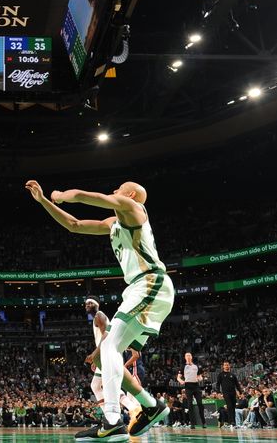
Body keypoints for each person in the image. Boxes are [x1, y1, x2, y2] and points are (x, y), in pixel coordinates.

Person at [25, 180, 173, 441]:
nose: (114, 191)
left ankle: (113, 420)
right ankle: (150, 405)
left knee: (108, 348)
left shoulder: (134, 207)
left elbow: (85, 195)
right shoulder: (113, 224)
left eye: (118, 188)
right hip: (142, 288)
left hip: (150, 282)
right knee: (109, 356)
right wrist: (44, 202)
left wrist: (60, 194)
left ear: (129, 194)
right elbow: (75, 225)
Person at [177, 352, 206, 428]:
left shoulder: (196, 366)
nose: (188, 357)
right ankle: (192, 424)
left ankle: (203, 422)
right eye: (187, 356)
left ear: (191, 357)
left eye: (189, 355)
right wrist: (181, 381)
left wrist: (200, 378)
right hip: (188, 386)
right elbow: (178, 377)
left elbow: (200, 376)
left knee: (200, 403)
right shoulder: (183, 366)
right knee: (190, 404)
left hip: (196, 386)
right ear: (185, 357)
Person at [215, 361, 242, 427]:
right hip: (226, 393)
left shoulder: (233, 375)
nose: (227, 366)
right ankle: (231, 422)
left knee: (233, 407)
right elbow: (218, 384)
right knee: (229, 406)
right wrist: (218, 392)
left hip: (233, 393)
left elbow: (237, 384)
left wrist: (240, 392)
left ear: (229, 366)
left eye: (228, 365)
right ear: (223, 366)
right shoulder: (221, 374)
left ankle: (233, 422)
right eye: (225, 365)